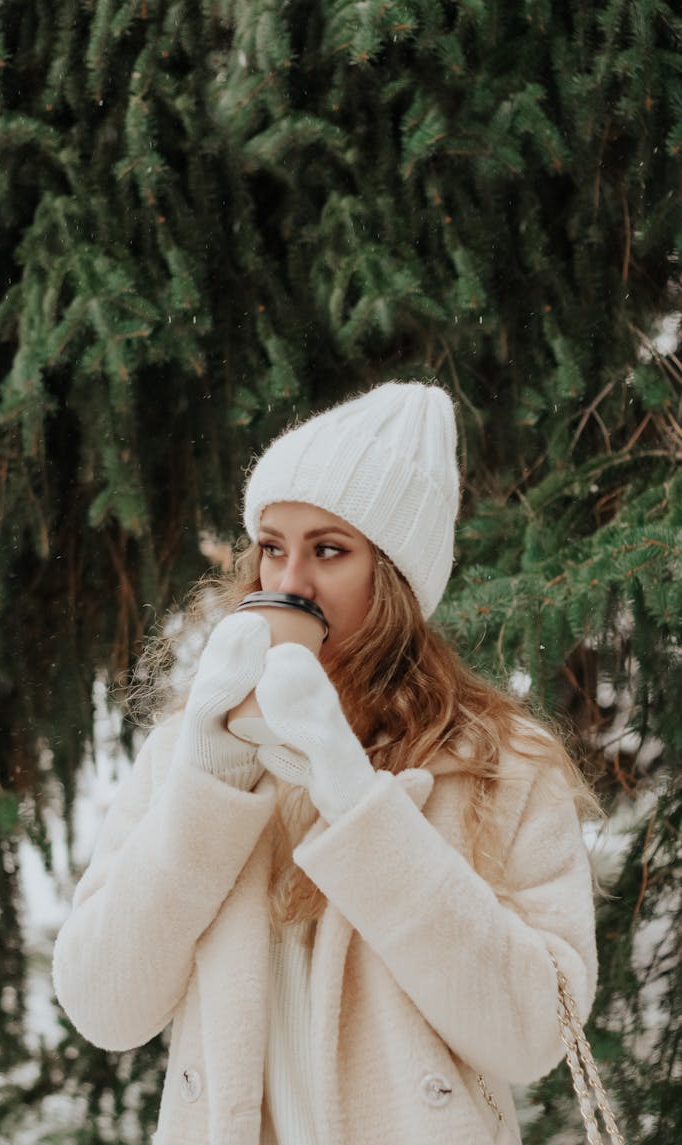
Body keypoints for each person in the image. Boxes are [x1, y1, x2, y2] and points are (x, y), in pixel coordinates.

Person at [53, 381, 598, 1145]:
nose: (289, 583)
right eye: (272, 546)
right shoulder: (193, 745)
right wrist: (209, 780)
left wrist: (356, 798)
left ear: (396, 578)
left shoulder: (499, 762)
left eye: (329, 550)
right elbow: (103, 1004)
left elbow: (537, 1033)